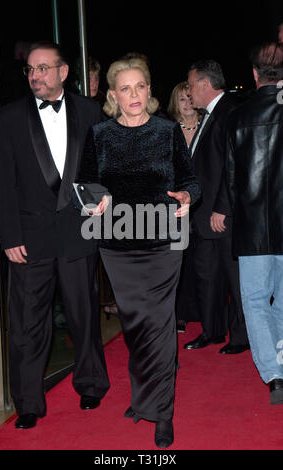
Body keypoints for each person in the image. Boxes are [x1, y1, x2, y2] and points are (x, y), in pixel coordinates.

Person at [75, 57, 201, 448]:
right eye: (125, 88)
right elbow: (85, 185)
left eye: (140, 86)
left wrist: (186, 197)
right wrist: (95, 202)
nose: (134, 95)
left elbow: (190, 181)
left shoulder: (167, 132)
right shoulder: (99, 135)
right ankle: (143, 398)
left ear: (149, 91)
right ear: (113, 94)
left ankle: (162, 412)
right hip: (117, 245)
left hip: (163, 244)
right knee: (135, 327)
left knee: (160, 326)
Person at [0, 40, 110, 429]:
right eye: (30, 70)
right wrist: (8, 236)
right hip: (29, 237)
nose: (35, 75)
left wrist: (101, 198)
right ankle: (27, 401)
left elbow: (101, 165)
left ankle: (91, 383)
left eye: (43, 68)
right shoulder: (7, 118)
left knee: (84, 314)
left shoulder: (90, 111)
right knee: (26, 323)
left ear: (63, 73)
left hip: (78, 231)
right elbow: (2, 184)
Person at [226, 42, 283, 404]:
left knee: (255, 300)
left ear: (254, 75)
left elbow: (232, 181)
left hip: (253, 228)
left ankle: (274, 375)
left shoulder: (236, 117)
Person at [183, 59, 249, 354]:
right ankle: (212, 331)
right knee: (206, 276)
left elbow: (234, 166)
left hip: (223, 216)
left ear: (205, 84)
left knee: (234, 280)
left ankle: (241, 337)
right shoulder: (209, 114)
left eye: (190, 84)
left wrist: (222, 208)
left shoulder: (229, 111)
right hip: (203, 215)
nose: (188, 91)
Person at [168, 82, 203, 333]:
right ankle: (179, 312)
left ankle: (201, 309)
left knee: (201, 260)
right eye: (182, 99)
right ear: (175, 103)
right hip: (175, 204)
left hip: (204, 202)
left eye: (190, 98)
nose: (187, 103)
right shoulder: (168, 130)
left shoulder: (207, 125)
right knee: (178, 259)